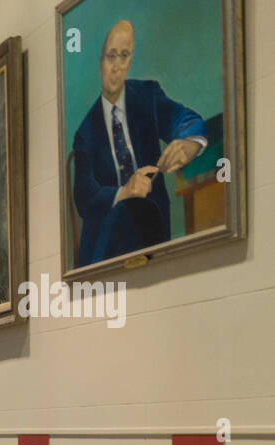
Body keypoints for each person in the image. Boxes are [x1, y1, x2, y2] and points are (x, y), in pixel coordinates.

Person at [72, 20, 207, 267]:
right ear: (100, 63)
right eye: (111, 56)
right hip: (107, 244)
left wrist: (189, 142)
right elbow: (83, 196)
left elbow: (185, 118)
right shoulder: (85, 132)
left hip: (152, 232)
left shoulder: (146, 96)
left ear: (130, 60)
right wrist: (125, 192)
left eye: (123, 56)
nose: (116, 66)